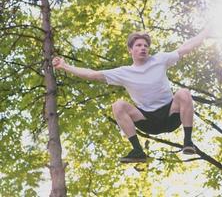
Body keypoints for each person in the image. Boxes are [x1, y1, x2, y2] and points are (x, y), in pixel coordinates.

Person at [52, 26, 211, 163]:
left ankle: (188, 141)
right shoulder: (124, 73)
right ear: (130, 50)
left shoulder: (160, 59)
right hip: (148, 120)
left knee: (183, 93)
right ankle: (137, 151)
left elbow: (186, 48)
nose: (143, 48)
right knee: (118, 105)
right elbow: (92, 75)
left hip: (172, 115)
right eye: (139, 45)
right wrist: (65, 66)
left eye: (146, 45)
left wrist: (205, 32)